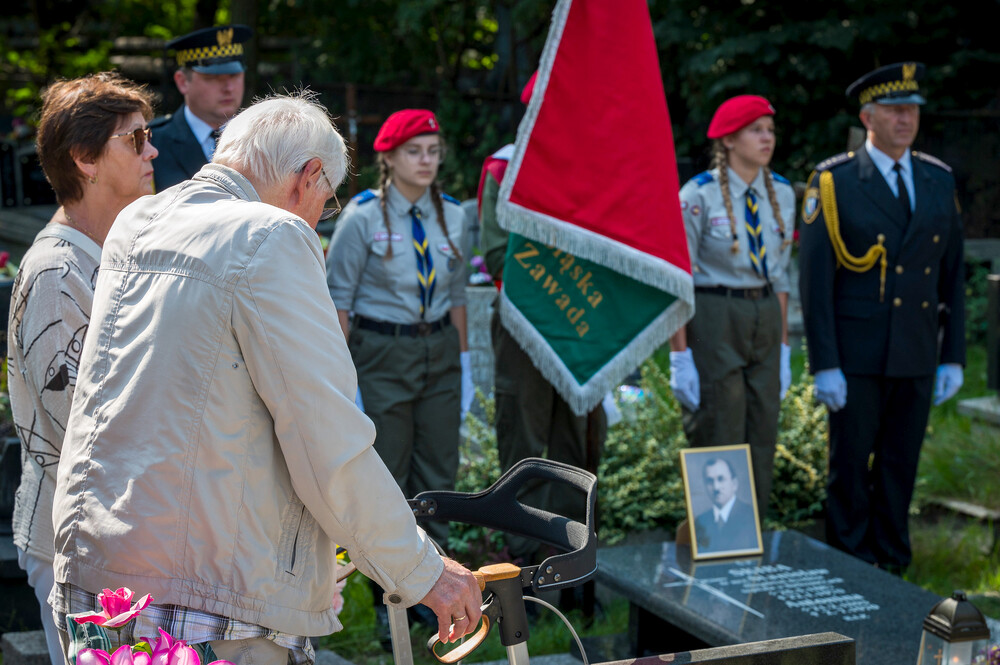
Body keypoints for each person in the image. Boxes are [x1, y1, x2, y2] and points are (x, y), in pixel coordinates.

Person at [50, 93, 482, 665]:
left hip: (99, 570)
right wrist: (423, 570)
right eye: (325, 202)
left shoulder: (140, 218)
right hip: (207, 596)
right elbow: (326, 440)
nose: (316, 219)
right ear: (308, 177)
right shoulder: (273, 233)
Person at [6, 72, 156, 665]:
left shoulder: (117, 250)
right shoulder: (54, 273)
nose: (152, 150)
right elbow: (86, 426)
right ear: (85, 160)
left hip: (121, 535)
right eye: (135, 139)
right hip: (75, 544)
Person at [798, 62, 965, 575]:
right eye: (894, 110)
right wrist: (824, 362)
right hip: (856, 354)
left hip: (915, 351)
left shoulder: (937, 179)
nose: (905, 120)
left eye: (912, 110)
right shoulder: (834, 182)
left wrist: (952, 354)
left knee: (900, 466)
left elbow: (951, 276)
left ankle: (893, 564)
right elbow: (816, 283)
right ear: (867, 116)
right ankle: (849, 564)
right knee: (849, 468)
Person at [478, 73, 608, 566]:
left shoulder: (597, 169)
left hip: (583, 328)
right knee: (525, 442)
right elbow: (495, 254)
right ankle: (527, 567)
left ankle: (573, 558)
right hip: (524, 324)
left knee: (581, 441)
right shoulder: (503, 168)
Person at [326, 108, 472, 546]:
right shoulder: (363, 216)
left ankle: (438, 587)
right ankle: (389, 592)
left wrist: (464, 362)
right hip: (382, 351)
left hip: (441, 348)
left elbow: (459, 295)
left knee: (439, 468)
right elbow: (339, 300)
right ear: (388, 158)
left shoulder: (455, 216)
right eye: (413, 152)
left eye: (432, 151)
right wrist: (343, 376)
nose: (426, 161)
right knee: (388, 466)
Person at [669, 95, 795, 521]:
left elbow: (780, 276)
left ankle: (750, 528)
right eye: (756, 130)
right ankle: (714, 532)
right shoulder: (698, 196)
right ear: (728, 140)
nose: (767, 139)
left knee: (763, 425)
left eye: (771, 130)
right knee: (721, 423)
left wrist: (784, 347)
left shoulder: (781, 192)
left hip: (764, 312)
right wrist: (679, 354)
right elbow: (678, 280)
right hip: (715, 312)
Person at [149, 24, 251, 190]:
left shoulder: (259, 140)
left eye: (234, 75)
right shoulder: (153, 144)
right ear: (183, 82)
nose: (228, 87)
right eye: (213, 77)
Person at [694, 457, 759, 553]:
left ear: (734, 483)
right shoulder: (701, 520)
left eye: (721, 479)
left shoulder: (751, 515)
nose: (716, 487)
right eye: (710, 481)